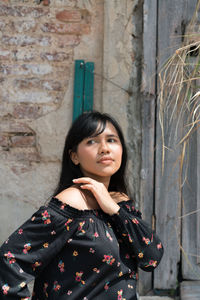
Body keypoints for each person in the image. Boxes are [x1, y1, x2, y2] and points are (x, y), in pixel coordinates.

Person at [0, 111, 164, 300]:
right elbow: (9, 259)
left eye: (111, 140)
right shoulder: (71, 205)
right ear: (74, 156)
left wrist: (114, 209)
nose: (104, 148)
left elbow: (151, 258)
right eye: (92, 141)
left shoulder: (120, 203)